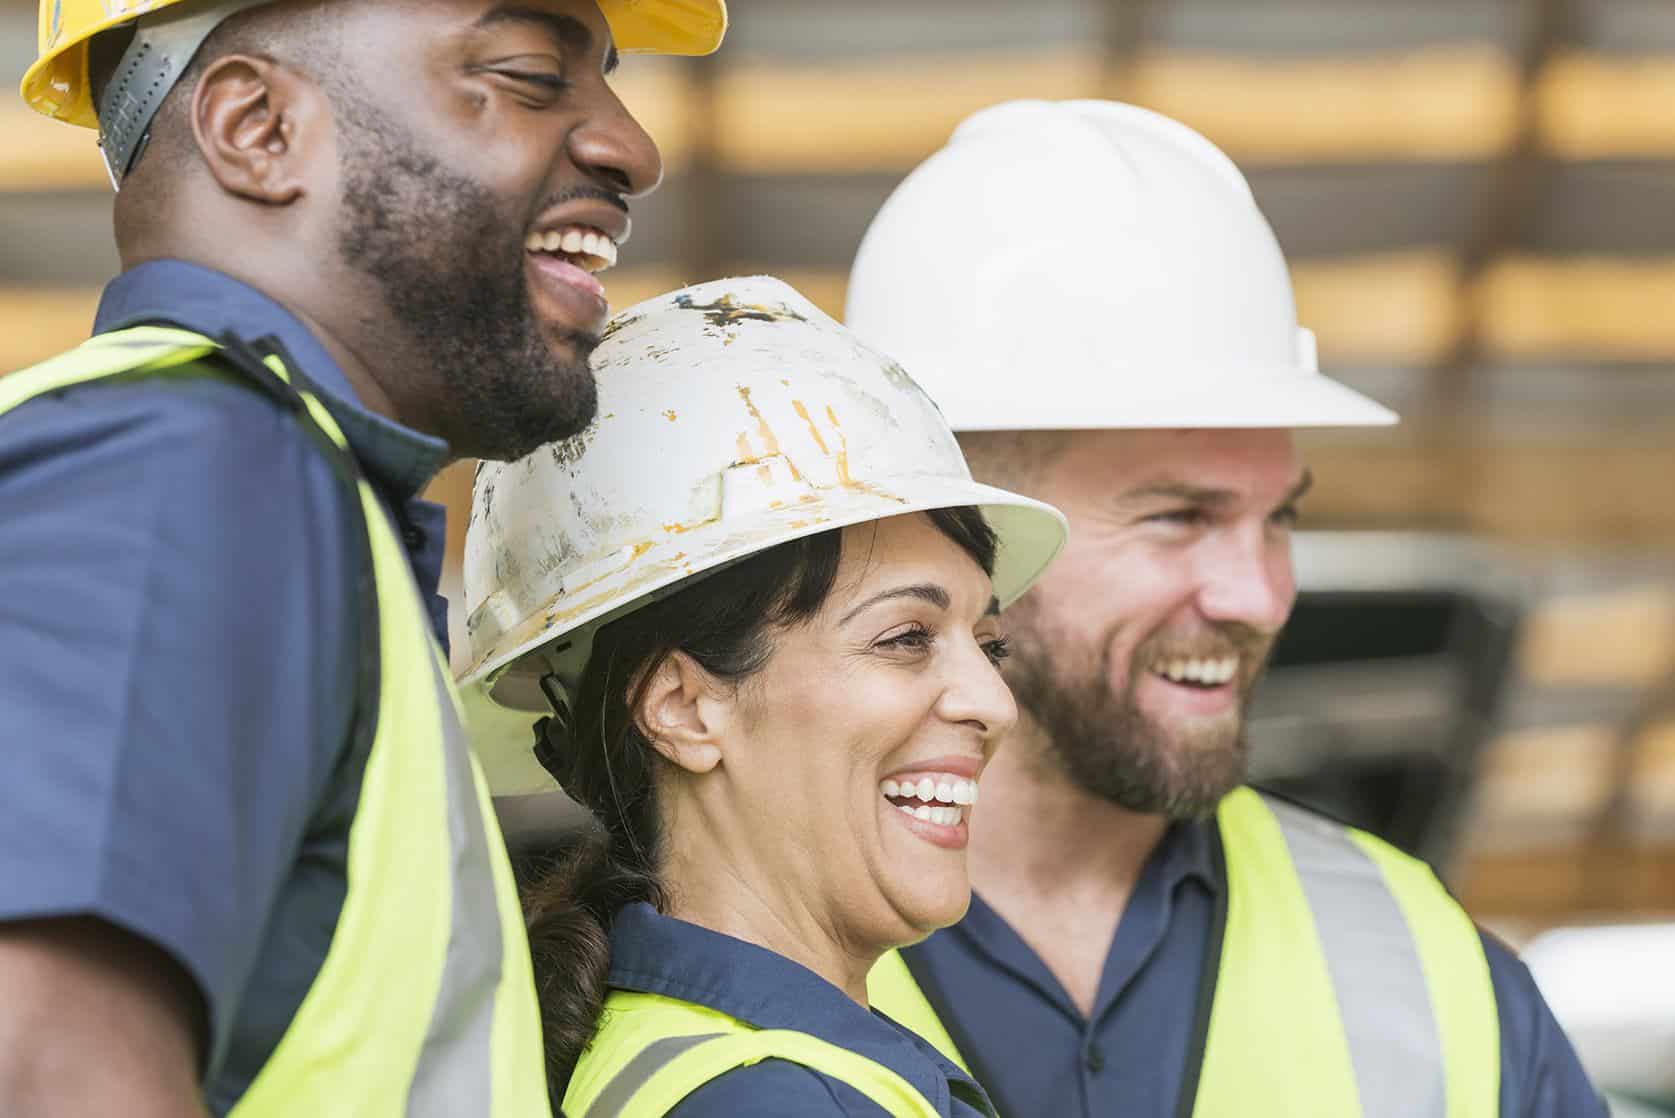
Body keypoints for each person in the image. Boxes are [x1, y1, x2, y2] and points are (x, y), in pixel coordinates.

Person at [0, 0, 724, 1114]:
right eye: (532, 74)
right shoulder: (186, 464)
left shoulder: (271, 494)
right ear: (257, 127)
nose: (631, 142)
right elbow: (42, 1064)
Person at [845, 100, 1606, 1117]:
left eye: (1276, 519)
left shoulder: (1420, 958)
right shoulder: (713, 949)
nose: (1258, 595)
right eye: (1176, 517)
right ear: (953, 527)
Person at [455, 276, 1069, 1116]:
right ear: (679, 706)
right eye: (904, 639)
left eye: (988, 645)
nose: (992, 703)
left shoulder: (684, 1059)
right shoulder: (774, 1098)